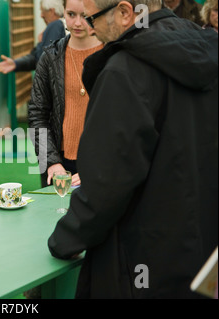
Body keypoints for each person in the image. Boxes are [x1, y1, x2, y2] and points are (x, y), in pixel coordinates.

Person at [48, 0, 218, 298]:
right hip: (201, 251)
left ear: (126, 13)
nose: (89, 27)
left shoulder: (125, 71)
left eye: (92, 18)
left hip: (143, 260)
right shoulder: (204, 48)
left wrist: (65, 240)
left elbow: (106, 186)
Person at [28, 0, 103, 188]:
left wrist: (104, 164)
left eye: (84, 16)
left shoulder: (112, 53)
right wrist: (51, 161)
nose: (77, 23)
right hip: (61, 161)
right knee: (55, 215)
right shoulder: (50, 56)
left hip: (102, 161)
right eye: (71, 15)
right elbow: (37, 113)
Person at [0, 0, 66, 74]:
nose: (41, 15)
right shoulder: (63, 26)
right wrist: (16, 63)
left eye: (42, 11)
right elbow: (36, 57)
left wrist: (42, 42)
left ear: (51, 11)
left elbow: (43, 62)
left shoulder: (55, 25)